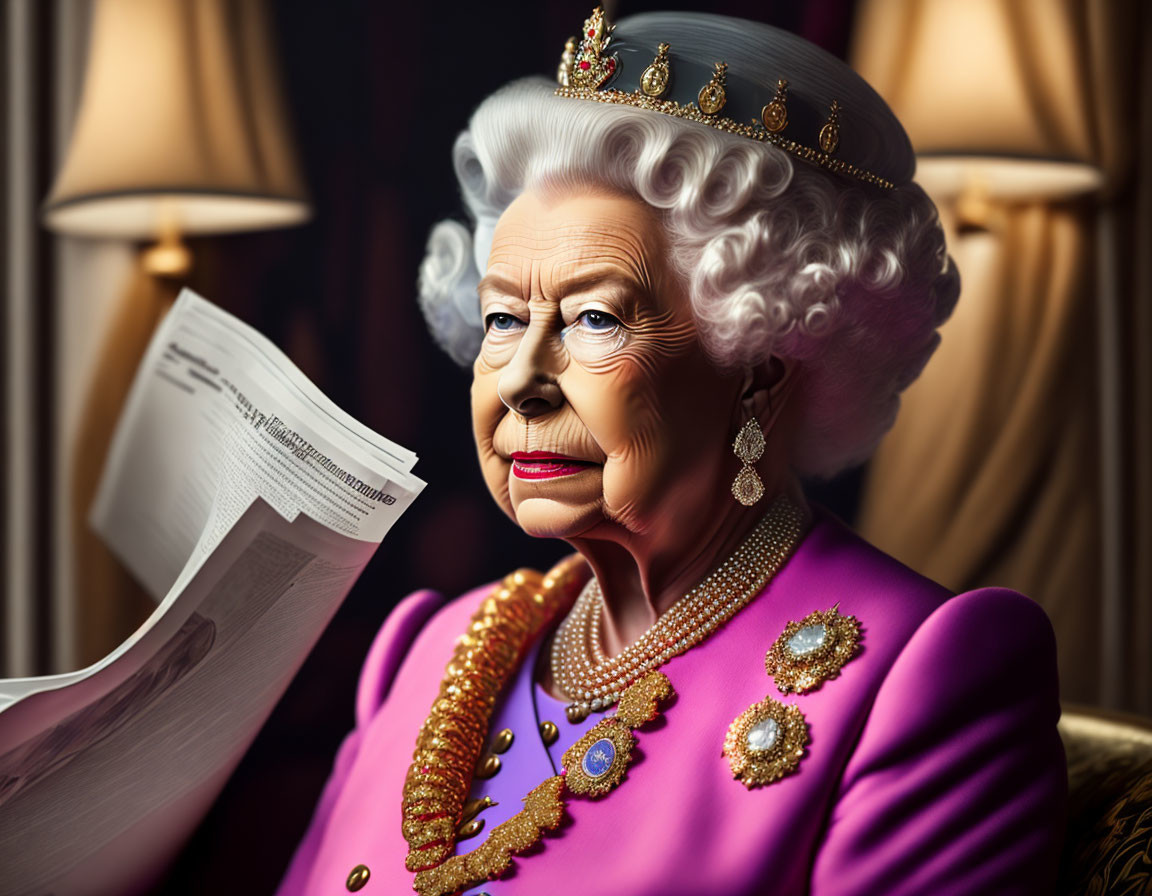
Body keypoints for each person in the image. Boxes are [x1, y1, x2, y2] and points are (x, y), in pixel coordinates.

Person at [276, 9, 1066, 895]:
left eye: (595, 319)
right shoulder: (425, 648)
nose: (523, 380)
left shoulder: (921, 676)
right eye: (503, 318)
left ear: (763, 362)